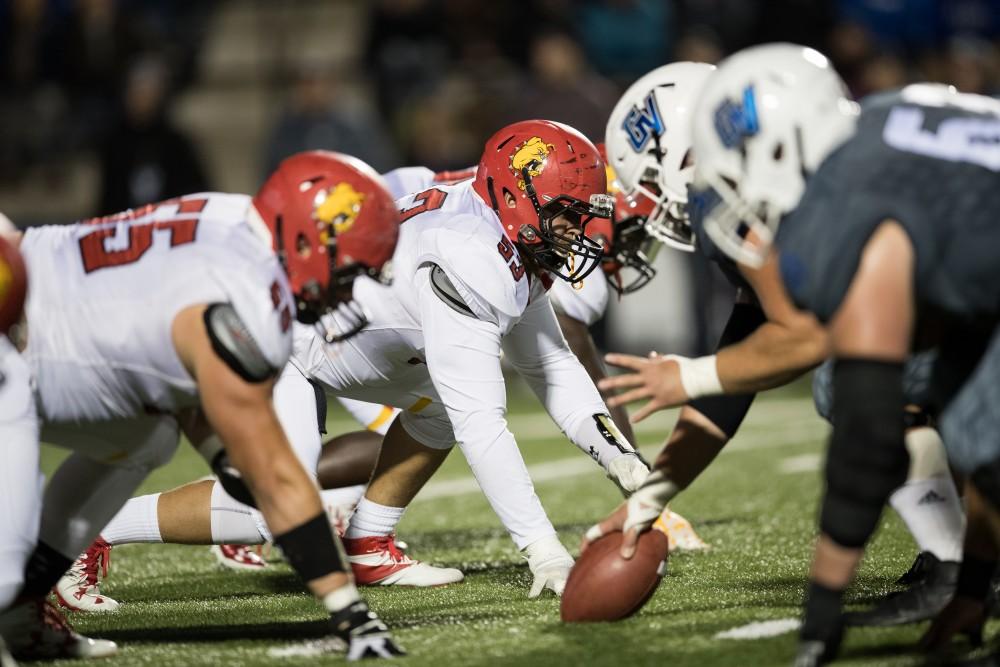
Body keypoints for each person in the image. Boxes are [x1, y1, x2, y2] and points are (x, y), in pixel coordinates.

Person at [59, 120, 651, 606]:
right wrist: (543, 549)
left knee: (444, 409)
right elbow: (485, 424)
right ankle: (91, 530)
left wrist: (623, 460)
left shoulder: (501, 232)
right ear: (517, 196)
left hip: (350, 339)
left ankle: (369, 543)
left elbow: (552, 365)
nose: (581, 229)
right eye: (567, 212)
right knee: (276, 511)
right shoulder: (471, 256)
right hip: (284, 338)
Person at [584, 59, 965, 628]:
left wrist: (688, 376)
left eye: (651, 181)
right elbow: (744, 365)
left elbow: (804, 340)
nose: (656, 204)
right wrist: (651, 496)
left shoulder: (766, 193)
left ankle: (957, 562)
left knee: (862, 376)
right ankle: (962, 553)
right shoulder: (810, 166)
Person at [0, 150, 404, 661]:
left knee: (146, 437)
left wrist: (222, 453)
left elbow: (163, 351)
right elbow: (276, 478)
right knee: (4, 552)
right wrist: (348, 608)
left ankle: (23, 609)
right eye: (347, 272)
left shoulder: (232, 216)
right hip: (16, 336)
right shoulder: (242, 303)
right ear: (304, 239)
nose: (346, 292)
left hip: (41, 312)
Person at [687, 44, 1000, 664]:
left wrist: (821, 616)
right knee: (970, 417)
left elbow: (868, 431)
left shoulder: (855, 199)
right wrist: (973, 589)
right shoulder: (887, 130)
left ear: (778, 146)